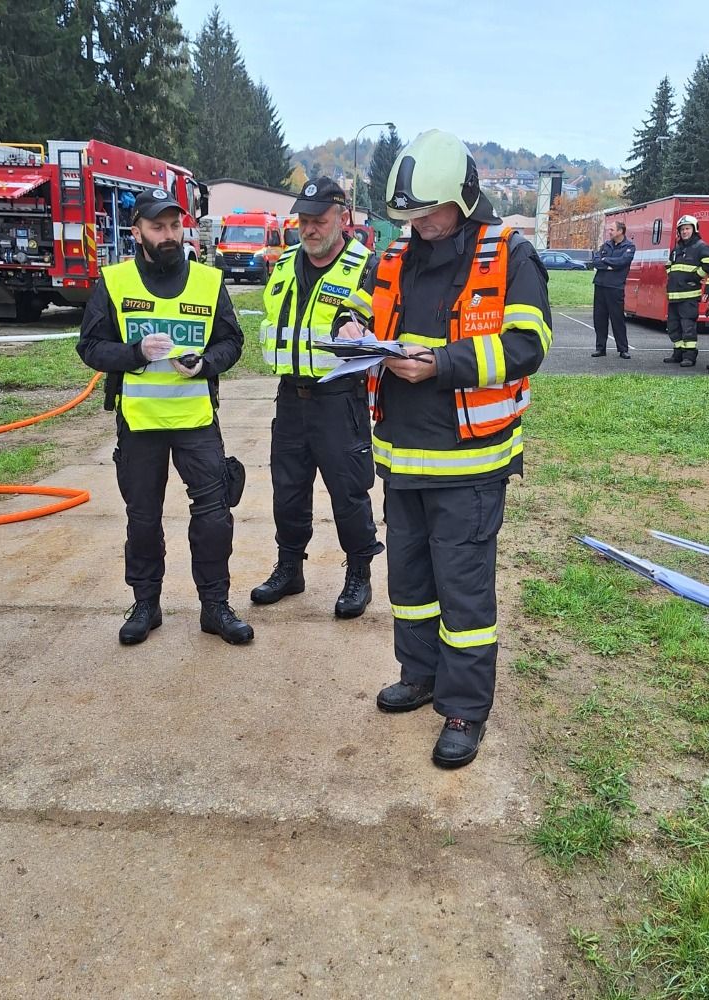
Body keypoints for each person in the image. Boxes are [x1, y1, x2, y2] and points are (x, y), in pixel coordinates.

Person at [337, 130, 552, 768]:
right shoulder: (396, 254)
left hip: (471, 466)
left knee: (464, 597)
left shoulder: (510, 255)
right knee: (410, 585)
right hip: (401, 459)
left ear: (464, 197)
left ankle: (464, 709)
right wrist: (349, 329)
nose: (419, 225)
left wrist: (442, 364)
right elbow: (355, 309)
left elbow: (526, 346)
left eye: (428, 212)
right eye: (409, 214)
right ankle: (420, 673)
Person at [77, 187, 253, 646]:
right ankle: (145, 604)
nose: (170, 234)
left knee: (214, 516)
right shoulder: (114, 282)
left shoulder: (208, 282)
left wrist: (206, 363)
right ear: (137, 232)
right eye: (159, 226)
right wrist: (134, 352)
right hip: (140, 425)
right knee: (142, 519)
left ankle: (215, 606)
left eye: (175, 225)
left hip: (196, 421)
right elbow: (90, 347)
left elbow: (232, 343)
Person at [251, 177, 384, 617]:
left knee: (348, 492)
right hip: (290, 396)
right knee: (287, 491)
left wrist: (356, 324)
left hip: (338, 398)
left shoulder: (368, 265)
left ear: (343, 218)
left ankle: (358, 574)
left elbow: (371, 317)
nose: (309, 229)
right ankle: (290, 568)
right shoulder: (286, 262)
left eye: (318, 220)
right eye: (303, 221)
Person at [663, 214, 709, 368]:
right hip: (674, 295)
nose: (684, 232)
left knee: (688, 326)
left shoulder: (700, 246)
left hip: (689, 296)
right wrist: (672, 276)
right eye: (682, 229)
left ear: (694, 230)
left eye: (687, 228)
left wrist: (696, 277)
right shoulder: (677, 248)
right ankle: (678, 353)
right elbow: (669, 265)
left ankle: (689, 356)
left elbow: (707, 264)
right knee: (673, 326)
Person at [590, 221, 635, 359]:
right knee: (599, 319)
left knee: (617, 319)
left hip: (615, 288)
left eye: (612, 229)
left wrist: (606, 261)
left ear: (620, 231)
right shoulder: (605, 245)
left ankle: (623, 349)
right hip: (600, 286)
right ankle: (600, 348)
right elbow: (596, 261)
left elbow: (623, 262)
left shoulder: (629, 247)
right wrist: (609, 264)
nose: (609, 232)